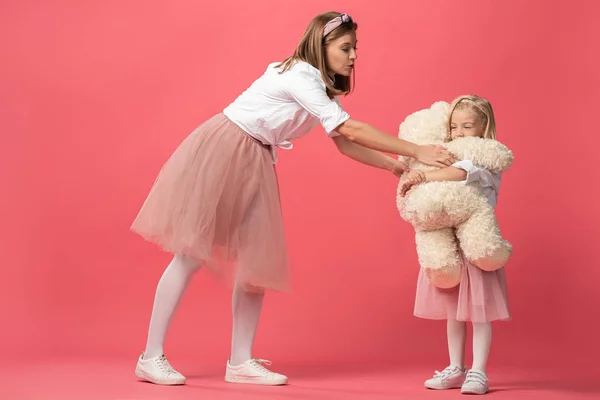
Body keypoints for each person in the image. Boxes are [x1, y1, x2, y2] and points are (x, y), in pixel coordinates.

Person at [131, 11, 454, 387]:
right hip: (228, 148)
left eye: (355, 49)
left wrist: (394, 167)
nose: (353, 57)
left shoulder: (316, 84)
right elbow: (350, 127)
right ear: (322, 45)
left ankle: (240, 361)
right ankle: (150, 357)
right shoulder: (300, 74)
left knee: (256, 262)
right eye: (345, 47)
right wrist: (419, 150)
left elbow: (345, 143)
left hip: (255, 157)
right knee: (189, 256)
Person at [400, 95, 511, 395]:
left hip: (476, 246)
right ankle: (455, 367)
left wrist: (423, 175)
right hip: (451, 245)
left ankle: (478, 372)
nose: (460, 133)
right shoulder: (447, 152)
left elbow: (460, 173)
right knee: (454, 313)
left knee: (479, 314)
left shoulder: (484, 161)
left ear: (483, 129)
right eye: (454, 127)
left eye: (467, 127)